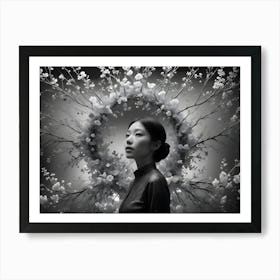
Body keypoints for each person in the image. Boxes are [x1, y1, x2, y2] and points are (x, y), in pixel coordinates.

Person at [118, 117, 171, 213]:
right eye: (127, 135)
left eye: (138, 134)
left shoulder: (155, 181)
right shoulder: (135, 181)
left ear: (155, 145)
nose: (128, 140)